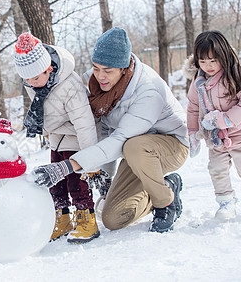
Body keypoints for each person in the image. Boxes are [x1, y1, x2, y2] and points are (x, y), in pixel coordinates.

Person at [30, 27, 189, 233]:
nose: (100, 76)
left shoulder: (149, 90)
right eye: (96, 68)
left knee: (134, 146)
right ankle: (166, 186)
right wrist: (104, 176)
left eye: (108, 70)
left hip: (171, 145)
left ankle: (165, 203)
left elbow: (120, 139)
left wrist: (66, 167)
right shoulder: (97, 88)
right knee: (113, 218)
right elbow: (104, 132)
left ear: (123, 68)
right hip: (135, 153)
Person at [14, 32, 100, 243]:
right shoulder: (32, 83)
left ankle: (86, 219)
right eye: (26, 79)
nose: (31, 83)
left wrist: (91, 159)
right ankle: (61, 218)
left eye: (35, 78)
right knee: (55, 181)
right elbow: (43, 111)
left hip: (76, 136)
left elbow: (84, 122)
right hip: (56, 137)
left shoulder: (70, 85)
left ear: (49, 69)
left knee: (76, 181)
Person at [185, 30, 241, 219]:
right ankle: (226, 202)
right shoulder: (199, 81)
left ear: (223, 56)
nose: (208, 66)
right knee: (216, 170)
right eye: (202, 61)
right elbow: (193, 106)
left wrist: (224, 119)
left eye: (213, 60)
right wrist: (193, 133)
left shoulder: (237, 75)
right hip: (216, 136)